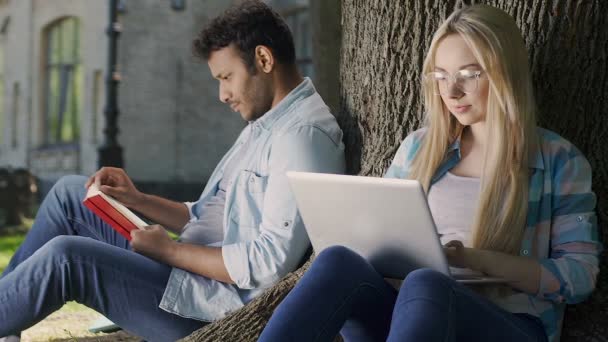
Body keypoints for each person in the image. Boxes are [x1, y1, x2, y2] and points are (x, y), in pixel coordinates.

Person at [0, 1, 345, 341]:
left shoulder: (300, 139)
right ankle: (6, 319)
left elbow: (268, 264)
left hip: (202, 308)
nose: (222, 94)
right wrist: (136, 199)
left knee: (68, 259)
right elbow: (200, 216)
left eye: (227, 77)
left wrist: (169, 251)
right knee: (70, 194)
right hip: (185, 272)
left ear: (264, 59)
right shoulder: (265, 124)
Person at [259, 4, 601, 342]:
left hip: (509, 323)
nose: (451, 92)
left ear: (504, 71)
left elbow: (580, 276)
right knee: (337, 262)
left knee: (427, 283)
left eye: (468, 75)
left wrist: (477, 259)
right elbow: (379, 238)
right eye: (441, 77)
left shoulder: (559, 160)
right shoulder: (418, 149)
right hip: (411, 315)